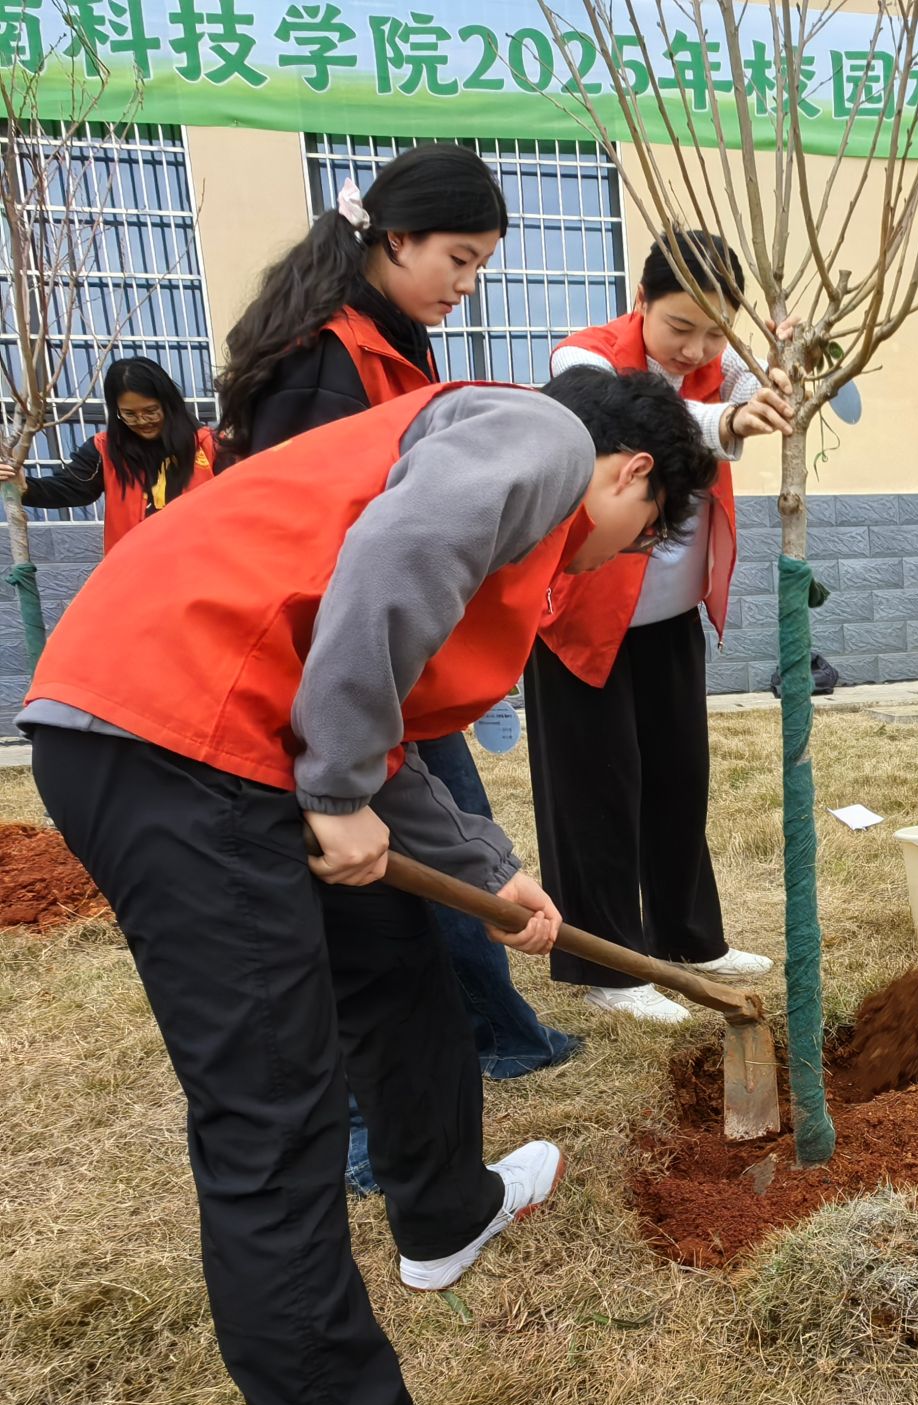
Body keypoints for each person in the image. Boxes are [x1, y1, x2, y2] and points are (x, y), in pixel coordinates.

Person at [18, 365, 716, 1405]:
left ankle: (443, 1211)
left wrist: (489, 876)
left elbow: (369, 728)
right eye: (642, 536)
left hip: (219, 730)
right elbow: (394, 568)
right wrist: (335, 789)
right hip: (178, 735)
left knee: (394, 959)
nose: (614, 562)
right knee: (271, 1125)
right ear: (631, 473)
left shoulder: (487, 476)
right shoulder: (542, 438)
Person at [215, 142, 578, 1188]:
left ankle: (496, 1031)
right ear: (396, 237)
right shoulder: (320, 358)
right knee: (360, 903)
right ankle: (364, 1131)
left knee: (449, 840)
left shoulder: (396, 341)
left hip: (375, 664)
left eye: (481, 267)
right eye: (458, 260)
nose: (467, 286)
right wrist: (336, 764)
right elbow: (330, 554)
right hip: (313, 668)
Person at [525, 229, 793, 1023]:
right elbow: (651, 427)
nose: (696, 349)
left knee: (678, 779)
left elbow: (758, 374)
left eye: (715, 331)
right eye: (680, 326)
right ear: (641, 300)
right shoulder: (585, 360)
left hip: (668, 617)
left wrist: (781, 362)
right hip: (585, 618)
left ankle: (688, 937)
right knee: (597, 790)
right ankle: (608, 963)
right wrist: (731, 419)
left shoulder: (717, 361)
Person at [0, 356, 215, 553]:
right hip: (133, 568)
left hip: (202, 564)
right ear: (116, 412)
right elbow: (71, 488)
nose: (142, 421)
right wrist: (25, 487)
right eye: (129, 414)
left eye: (151, 411)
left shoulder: (209, 445)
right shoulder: (105, 450)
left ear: (169, 405)